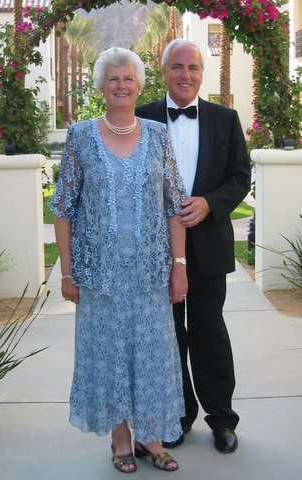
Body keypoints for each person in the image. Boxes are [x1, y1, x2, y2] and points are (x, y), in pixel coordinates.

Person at [49, 47, 188, 473]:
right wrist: (68, 271)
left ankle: (152, 438)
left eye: (128, 78)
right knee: (108, 357)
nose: (122, 86)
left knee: (151, 355)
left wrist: (179, 265)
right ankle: (120, 440)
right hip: (100, 278)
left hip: (150, 274)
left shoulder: (158, 135)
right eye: (113, 79)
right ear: (102, 86)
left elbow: (174, 205)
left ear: (140, 84)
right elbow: (62, 208)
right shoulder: (81, 136)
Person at [136, 39, 251, 454]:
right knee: (168, 338)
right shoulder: (142, 116)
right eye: (177, 67)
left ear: (202, 73)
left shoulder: (225, 118)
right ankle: (177, 416)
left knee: (209, 334)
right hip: (156, 251)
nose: (186, 75)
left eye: (194, 68)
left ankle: (222, 419)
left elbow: (240, 177)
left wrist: (209, 203)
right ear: (164, 71)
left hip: (208, 250)